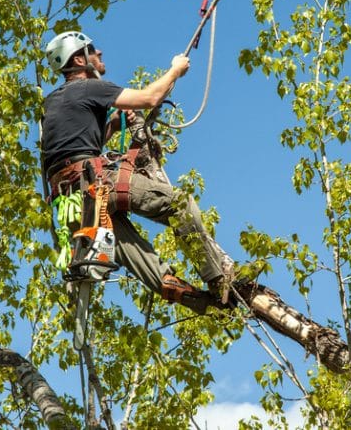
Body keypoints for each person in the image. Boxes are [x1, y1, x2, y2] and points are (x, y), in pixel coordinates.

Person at [42, 31, 234, 313]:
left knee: (138, 256)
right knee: (179, 205)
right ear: (80, 59)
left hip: (73, 202)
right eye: (93, 50)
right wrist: (175, 70)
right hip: (95, 181)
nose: (101, 54)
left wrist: (116, 123)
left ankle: (201, 303)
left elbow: (77, 144)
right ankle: (218, 279)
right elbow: (149, 97)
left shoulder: (53, 102)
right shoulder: (88, 88)